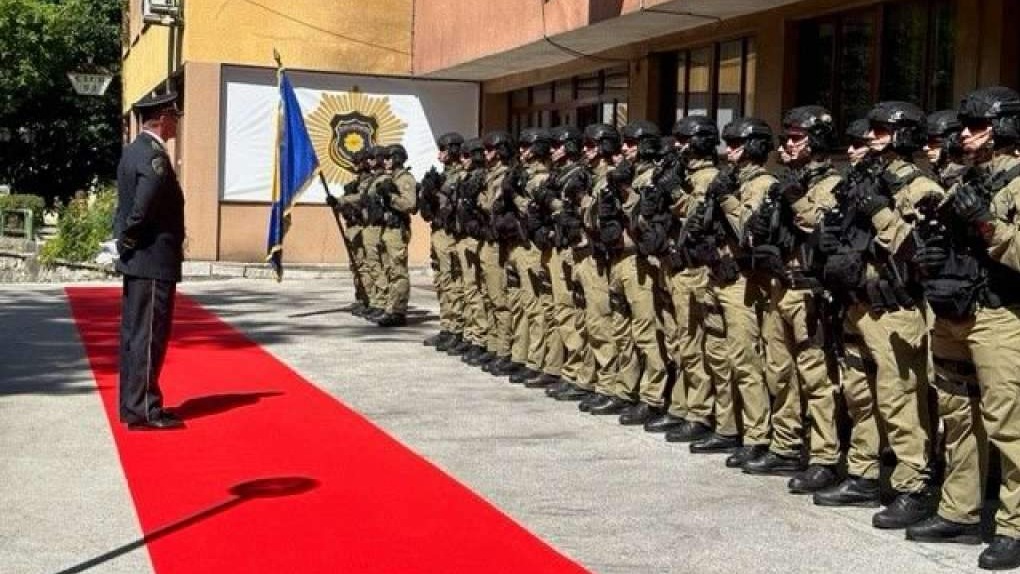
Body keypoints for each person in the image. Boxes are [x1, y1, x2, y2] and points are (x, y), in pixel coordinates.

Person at [114, 91, 185, 431]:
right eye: (175, 116)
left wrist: (123, 243)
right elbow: (143, 204)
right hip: (152, 257)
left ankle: (132, 405)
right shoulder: (154, 155)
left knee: (134, 333)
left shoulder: (134, 151)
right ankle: (145, 408)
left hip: (139, 258)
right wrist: (130, 238)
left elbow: (123, 206)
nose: (177, 123)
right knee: (149, 335)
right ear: (163, 118)